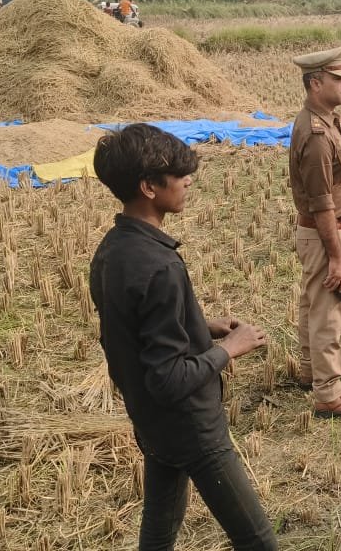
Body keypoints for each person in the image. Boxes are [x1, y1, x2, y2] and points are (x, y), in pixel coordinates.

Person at [88, 124, 277, 551]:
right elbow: (168, 379)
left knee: (159, 531)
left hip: (150, 421)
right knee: (258, 541)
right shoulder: (162, 267)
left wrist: (199, 326)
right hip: (192, 429)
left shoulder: (112, 250)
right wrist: (228, 349)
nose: (188, 181)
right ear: (149, 187)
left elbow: (135, 328)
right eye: (179, 175)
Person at [288, 46, 341, 418]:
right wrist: (337, 255)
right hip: (328, 232)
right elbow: (322, 203)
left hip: (319, 232)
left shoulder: (322, 120)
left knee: (313, 302)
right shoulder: (318, 135)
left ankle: (313, 369)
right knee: (328, 312)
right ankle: (329, 393)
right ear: (315, 83)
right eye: (338, 79)